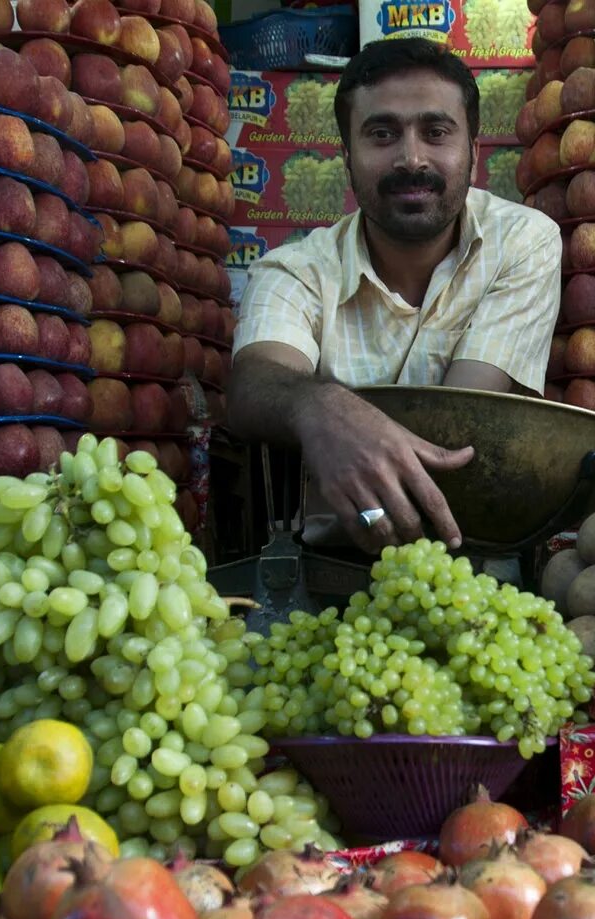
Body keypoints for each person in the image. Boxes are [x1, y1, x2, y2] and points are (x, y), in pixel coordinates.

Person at [227, 38, 562, 551]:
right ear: (347, 158)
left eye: (436, 132)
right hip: (331, 561)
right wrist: (317, 408)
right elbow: (254, 384)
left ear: (472, 154)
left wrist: (342, 426)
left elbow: (458, 425)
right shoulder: (295, 270)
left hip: (469, 553)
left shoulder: (523, 241)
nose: (411, 158)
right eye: (382, 134)